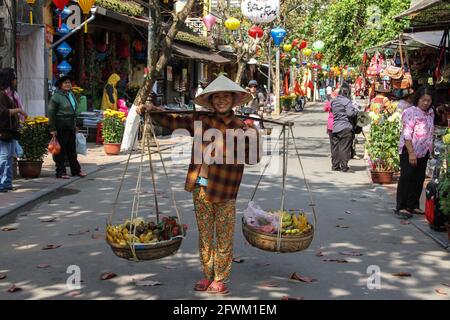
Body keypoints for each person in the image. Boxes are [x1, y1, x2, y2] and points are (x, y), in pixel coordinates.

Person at [137, 75, 261, 295]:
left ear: (233, 100)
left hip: (225, 190)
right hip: (200, 187)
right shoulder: (200, 120)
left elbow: (252, 159)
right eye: (217, 97)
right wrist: (152, 110)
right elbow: (173, 120)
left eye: (226, 97)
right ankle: (207, 274)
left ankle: (221, 277)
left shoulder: (242, 127)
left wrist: (254, 136)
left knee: (223, 235)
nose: (221, 100)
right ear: (211, 100)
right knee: (205, 235)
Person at [396, 87, 435, 219]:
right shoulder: (410, 112)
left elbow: (430, 131)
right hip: (409, 150)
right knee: (407, 176)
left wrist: (431, 148)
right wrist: (411, 152)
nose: (426, 103)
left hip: (424, 151)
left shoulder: (430, 113)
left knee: (419, 178)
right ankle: (401, 206)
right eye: (423, 100)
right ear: (417, 99)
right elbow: (407, 134)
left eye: (428, 100)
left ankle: (412, 205)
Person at [48, 75, 86, 179]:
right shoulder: (56, 96)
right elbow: (51, 113)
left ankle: (76, 170)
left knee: (72, 150)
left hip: (71, 126)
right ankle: (60, 172)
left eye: (69, 82)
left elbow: (74, 111)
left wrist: (76, 125)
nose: (68, 84)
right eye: (65, 83)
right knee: (61, 151)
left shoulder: (71, 94)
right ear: (60, 85)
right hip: (61, 126)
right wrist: (52, 128)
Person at [0, 68, 28, 192]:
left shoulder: (12, 94)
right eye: (14, 78)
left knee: (10, 157)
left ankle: (7, 183)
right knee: (4, 157)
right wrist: (19, 111)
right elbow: (3, 112)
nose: (15, 80)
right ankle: (2, 183)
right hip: (3, 130)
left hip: (11, 131)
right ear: (9, 79)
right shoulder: (1, 94)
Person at [331, 82, 359, 172]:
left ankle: (335, 166)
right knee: (344, 147)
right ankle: (344, 167)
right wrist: (356, 111)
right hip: (346, 127)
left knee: (335, 148)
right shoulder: (347, 101)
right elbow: (350, 114)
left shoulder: (334, 101)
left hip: (335, 127)